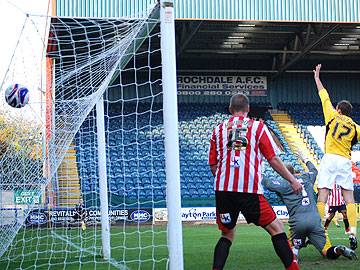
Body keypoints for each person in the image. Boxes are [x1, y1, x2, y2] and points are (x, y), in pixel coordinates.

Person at [208, 93, 302, 270]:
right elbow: (272, 159)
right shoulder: (258, 127)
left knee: (227, 234)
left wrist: (226, 181)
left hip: (223, 191)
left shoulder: (218, 130)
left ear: (230, 110)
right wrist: (292, 180)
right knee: (277, 228)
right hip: (249, 191)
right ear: (248, 109)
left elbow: (213, 164)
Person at [262, 150, 357, 261]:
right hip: (315, 221)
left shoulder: (283, 184)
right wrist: (305, 158)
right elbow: (314, 170)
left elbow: (267, 183)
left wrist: (261, 168)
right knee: (326, 251)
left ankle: (295, 255)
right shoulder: (306, 178)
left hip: (298, 222)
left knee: (291, 246)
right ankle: (338, 250)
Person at [313, 64, 358, 250]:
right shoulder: (355, 127)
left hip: (330, 158)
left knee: (323, 194)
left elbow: (324, 94)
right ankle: (353, 232)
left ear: (339, 109)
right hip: (345, 161)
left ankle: (317, 230)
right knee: (349, 199)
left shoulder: (332, 115)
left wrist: (317, 77)